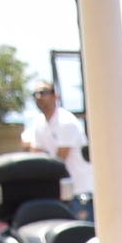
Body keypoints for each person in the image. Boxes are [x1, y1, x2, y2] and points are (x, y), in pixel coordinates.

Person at [24, 81, 93, 217]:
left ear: (55, 96)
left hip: (80, 192)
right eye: (35, 94)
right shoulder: (38, 122)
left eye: (43, 92)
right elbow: (35, 156)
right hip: (60, 194)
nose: (39, 97)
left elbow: (59, 161)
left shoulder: (66, 121)